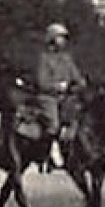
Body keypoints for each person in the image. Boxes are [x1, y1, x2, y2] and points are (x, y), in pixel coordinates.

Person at [36, 22, 86, 168]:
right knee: (53, 124)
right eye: (60, 37)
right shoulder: (44, 58)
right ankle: (50, 151)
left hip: (67, 97)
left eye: (64, 38)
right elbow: (42, 82)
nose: (63, 40)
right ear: (52, 39)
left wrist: (80, 84)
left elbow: (76, 77)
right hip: (48, 98)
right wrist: (57, 86)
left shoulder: (67, 58)